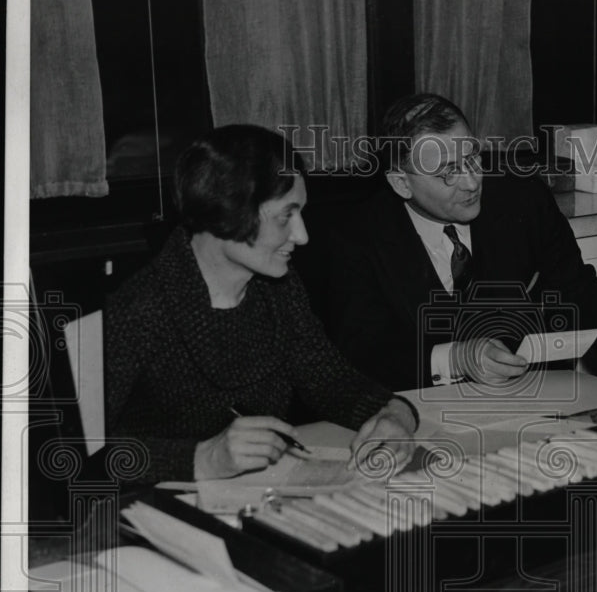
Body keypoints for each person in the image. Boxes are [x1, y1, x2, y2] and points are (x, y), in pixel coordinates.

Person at [104, 124, 418, 484]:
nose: (302, 235)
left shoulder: (277, 290)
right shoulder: (136, 310)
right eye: (286, 215)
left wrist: (394, 414)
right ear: (227, 211)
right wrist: (201, 459)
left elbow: (330, 381)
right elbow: (78, 453)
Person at [329, 92, 597, 396]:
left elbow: (576, 287)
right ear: (401, 183)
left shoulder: (521, 199)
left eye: (473, 158)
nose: (472, 182)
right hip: (419, 408)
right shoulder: (356, 235)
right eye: (449, 172)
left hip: (533, 400)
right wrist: (456, 358)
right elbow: (365, 351)